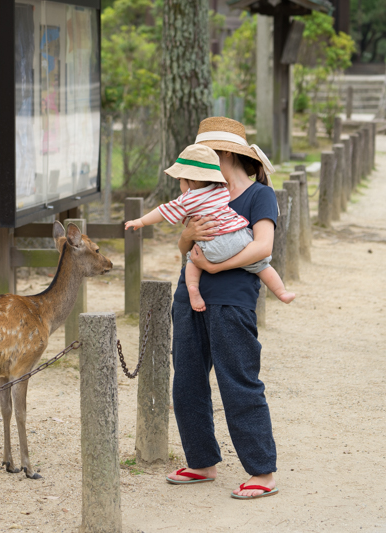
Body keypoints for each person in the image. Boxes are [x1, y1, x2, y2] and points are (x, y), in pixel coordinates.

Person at [164, 117, 280, 499]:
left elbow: (263, 247)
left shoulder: (259, 195)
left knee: (239, 382)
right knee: (187, 382)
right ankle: (201, 462)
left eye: (208, 152)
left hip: (232, 302)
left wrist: (217, 266)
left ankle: (262, 473)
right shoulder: (200, 191)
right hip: (189, 297)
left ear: (227, 154)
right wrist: (188, 236)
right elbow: (184, 248)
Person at [124, 144, 294, 311]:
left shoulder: (188, 199)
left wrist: (141, 221)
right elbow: (183, 246)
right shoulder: (221, 190)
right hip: (239, 238)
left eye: (180, 180)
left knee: (193, 260)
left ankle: (193, 289)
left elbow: (162, 211)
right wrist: (187, 235)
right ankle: (281, 292)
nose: (180, 186)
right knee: (263, 266)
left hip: (214, 252)